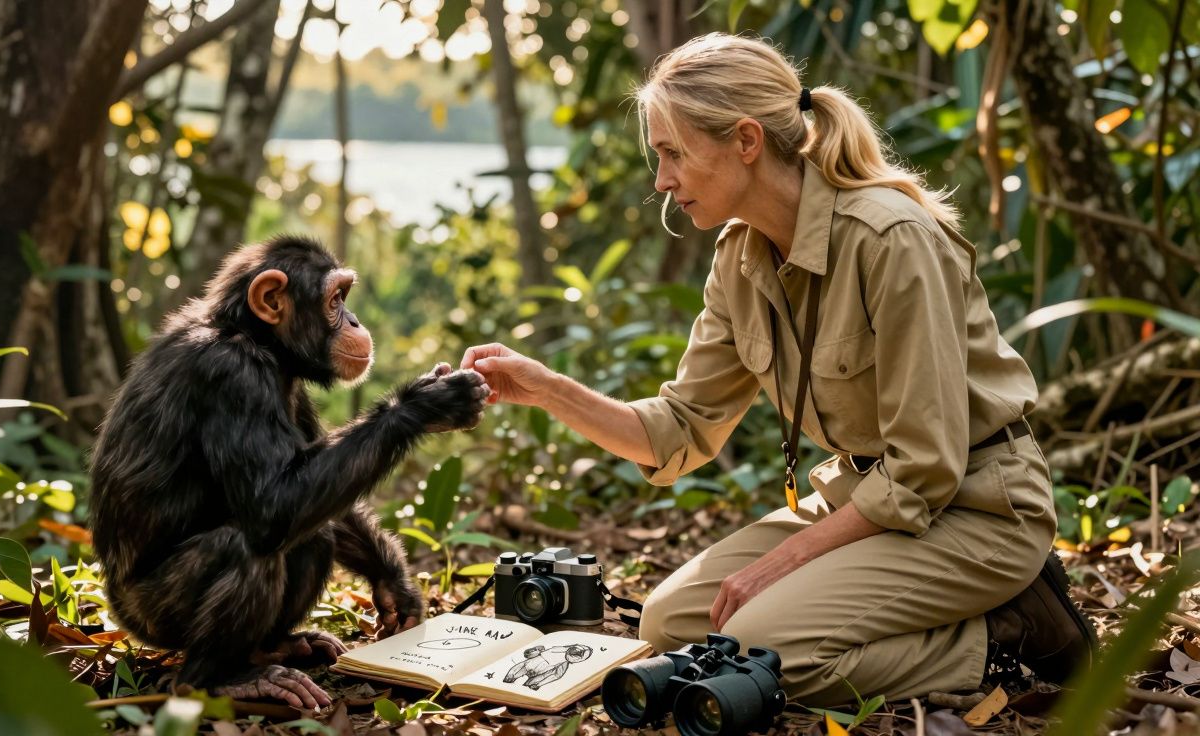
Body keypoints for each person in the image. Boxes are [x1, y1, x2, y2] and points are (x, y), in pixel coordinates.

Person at [459, 33, 1096, 707]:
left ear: (745, 140)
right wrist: (544, 388)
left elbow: (923, 470)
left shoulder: (891, 239)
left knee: (763, 650)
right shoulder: (741, 260)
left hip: (977, 509)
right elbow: (678, 431)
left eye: (673, 152)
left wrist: (779, 564)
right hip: (870, 501)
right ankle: (946, 624)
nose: (662, 179)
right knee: (672, 623)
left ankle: (1004, 634)